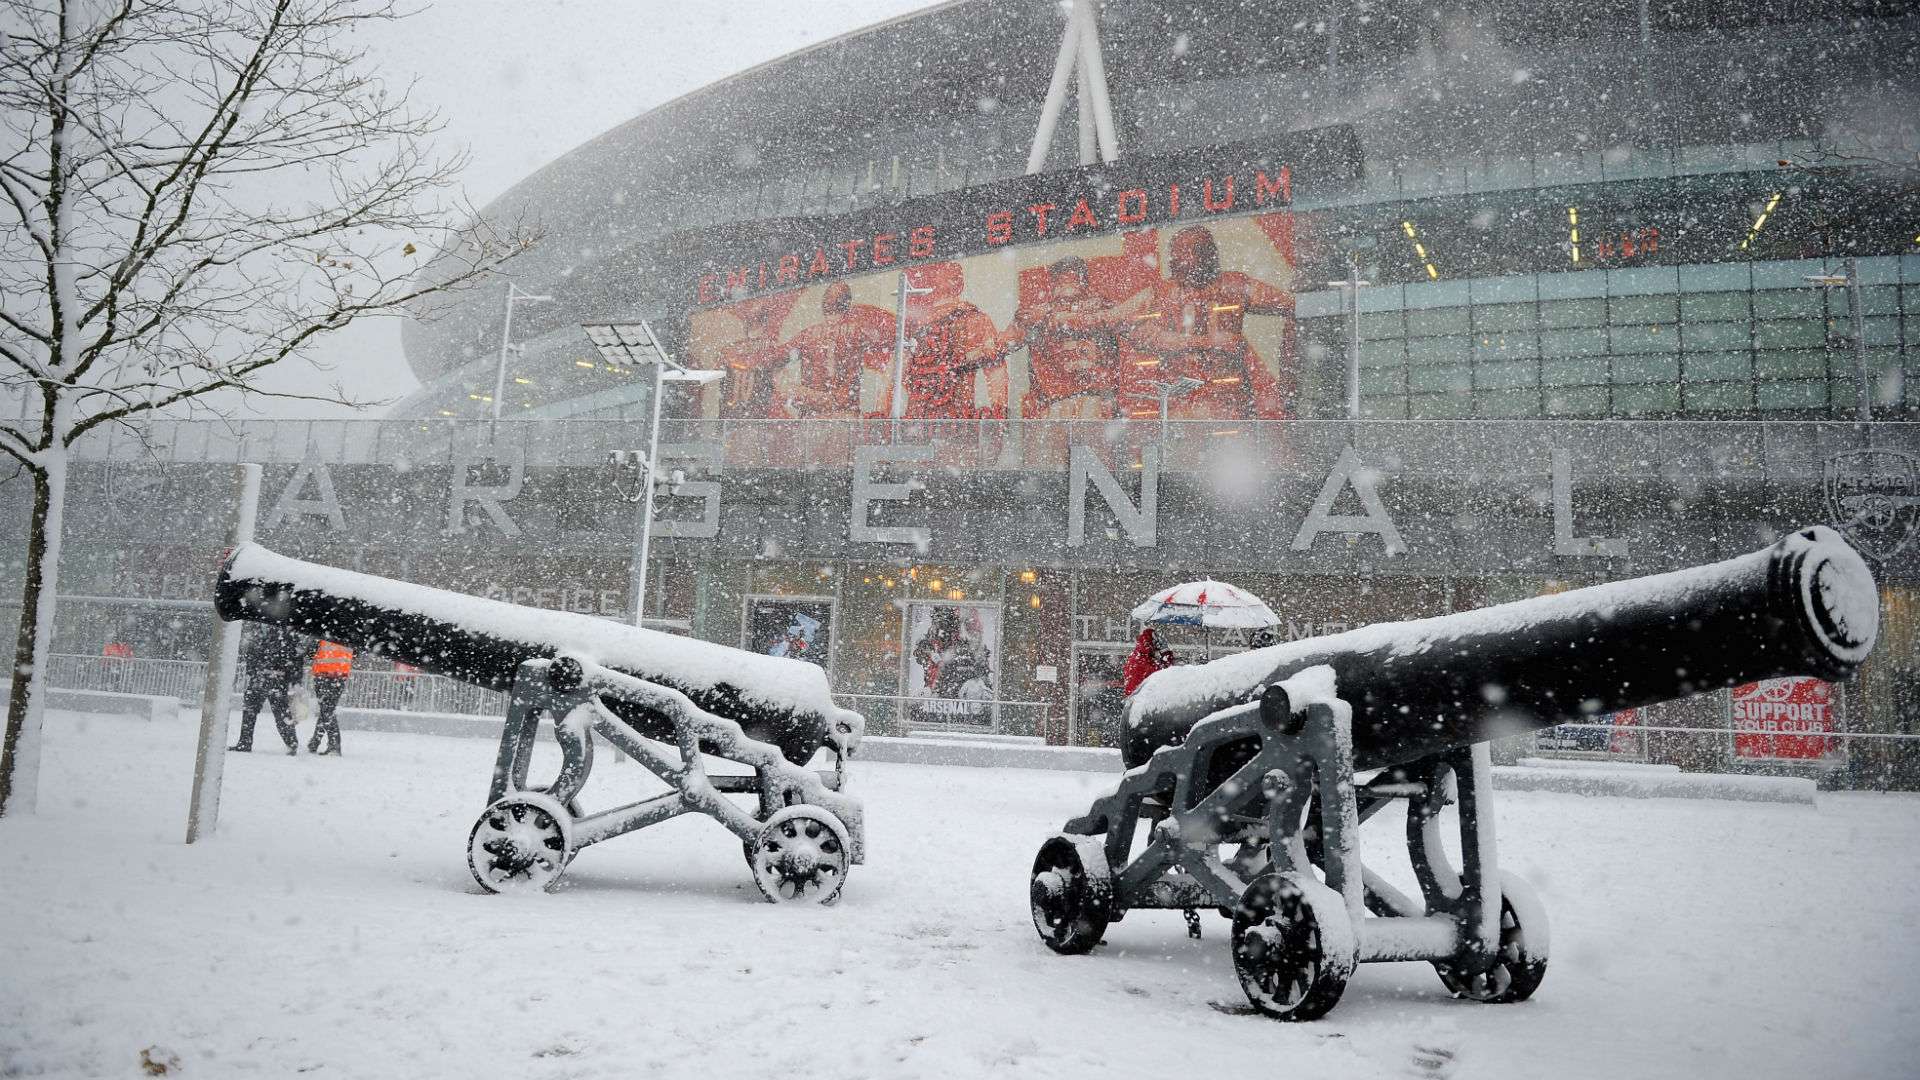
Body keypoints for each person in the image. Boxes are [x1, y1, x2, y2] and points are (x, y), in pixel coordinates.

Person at [1122, 225, 1297, 421]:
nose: (1173, 260)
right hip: (1181, 401)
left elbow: (1294, 307)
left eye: (1181, 252)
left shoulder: (1234, 285)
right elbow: (1138, 333)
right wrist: (1209, 342)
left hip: (1226, 400)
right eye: (1173, 253)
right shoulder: (1163, 292)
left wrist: (1289, 372)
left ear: (1205, 255)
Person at [230, 625, 310, 754]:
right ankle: (291, 743)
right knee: (279, 712)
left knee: (256, 710)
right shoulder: (285, 633)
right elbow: (296, 658)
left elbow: (252, 651)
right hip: (273, 677)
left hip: (267, 676)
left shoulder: (264, 631)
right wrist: (294, 679)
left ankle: (246, 742)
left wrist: (253, 670)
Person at [307, 639, 354, 756]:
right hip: (340, 677)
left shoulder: (322, 636)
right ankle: (315, 742)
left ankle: (334, 745)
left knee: (327, 711)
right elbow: (355, 655)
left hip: (323, 676)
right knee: (327, 710)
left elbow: (310, 653)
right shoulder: (351, 637)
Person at [1121, 626, 1169, 696]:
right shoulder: (1145, 662)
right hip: (1142, 701)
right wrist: (1166, 652)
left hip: (1134, 700)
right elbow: (1167, 674)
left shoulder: (1137, 656)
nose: (1157, 650)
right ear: (1153, 644)